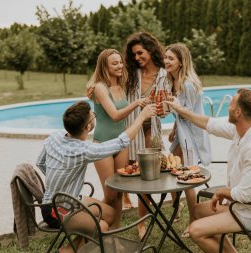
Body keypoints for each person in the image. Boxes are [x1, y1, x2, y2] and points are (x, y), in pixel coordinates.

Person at [165, 88, 251, 253]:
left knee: (196, 230)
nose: (227, 107)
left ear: (238, 112)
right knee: (197, 210)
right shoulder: (239, 129)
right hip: (241, 206)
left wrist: (222, 193)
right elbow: (208, 123)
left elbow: (245, 195)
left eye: (231, 103)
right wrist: (179, 109)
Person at [36, 100, 156, 253]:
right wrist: (141, 117)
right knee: (103, 227)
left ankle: (69, 250)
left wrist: (59, 181)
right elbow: (120, 143)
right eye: (93, 117)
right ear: (87, 127)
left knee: (110, 214)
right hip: (55, 210)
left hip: (68, 199)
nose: (94, 117)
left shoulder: (55, 137)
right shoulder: (83, 150)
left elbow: (40, 163)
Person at [87, 49, 147, 229]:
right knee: (110, 194)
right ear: (104, 66)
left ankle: (115, 230)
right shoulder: (99, 87)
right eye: (115, 63)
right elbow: (114, 115)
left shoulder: (121, 85)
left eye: (120, 62)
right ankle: (90, 221)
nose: (120, 65)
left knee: (120, 192)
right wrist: (137, 104)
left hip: (121, 144)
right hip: (103, 146)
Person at [124, 31, 171, 238]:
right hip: (130, 127)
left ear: (151, 50)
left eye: (140, 53)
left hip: (152, 127)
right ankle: (139, 213)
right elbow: (105, 72)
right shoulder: (131, 73)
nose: (137, 58)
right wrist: (92, 85)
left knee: (149, 175)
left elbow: (168, 107)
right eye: (134, 55)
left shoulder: (164, 74)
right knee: (130, 174)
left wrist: (164, 109)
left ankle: (142, 221)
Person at [164, 43, 212, 237]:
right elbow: (181, 114)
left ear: (181, 62)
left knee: (187, 179)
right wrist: (175, 129)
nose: (166, 61)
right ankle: (178, 205)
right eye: (165, 58)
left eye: (170, 59)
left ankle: (194, 221)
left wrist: (179, 124)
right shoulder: (172, 81)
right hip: (182, 133)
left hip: (192, 136)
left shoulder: (188, 85)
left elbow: (190, 115)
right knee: (170, 169)